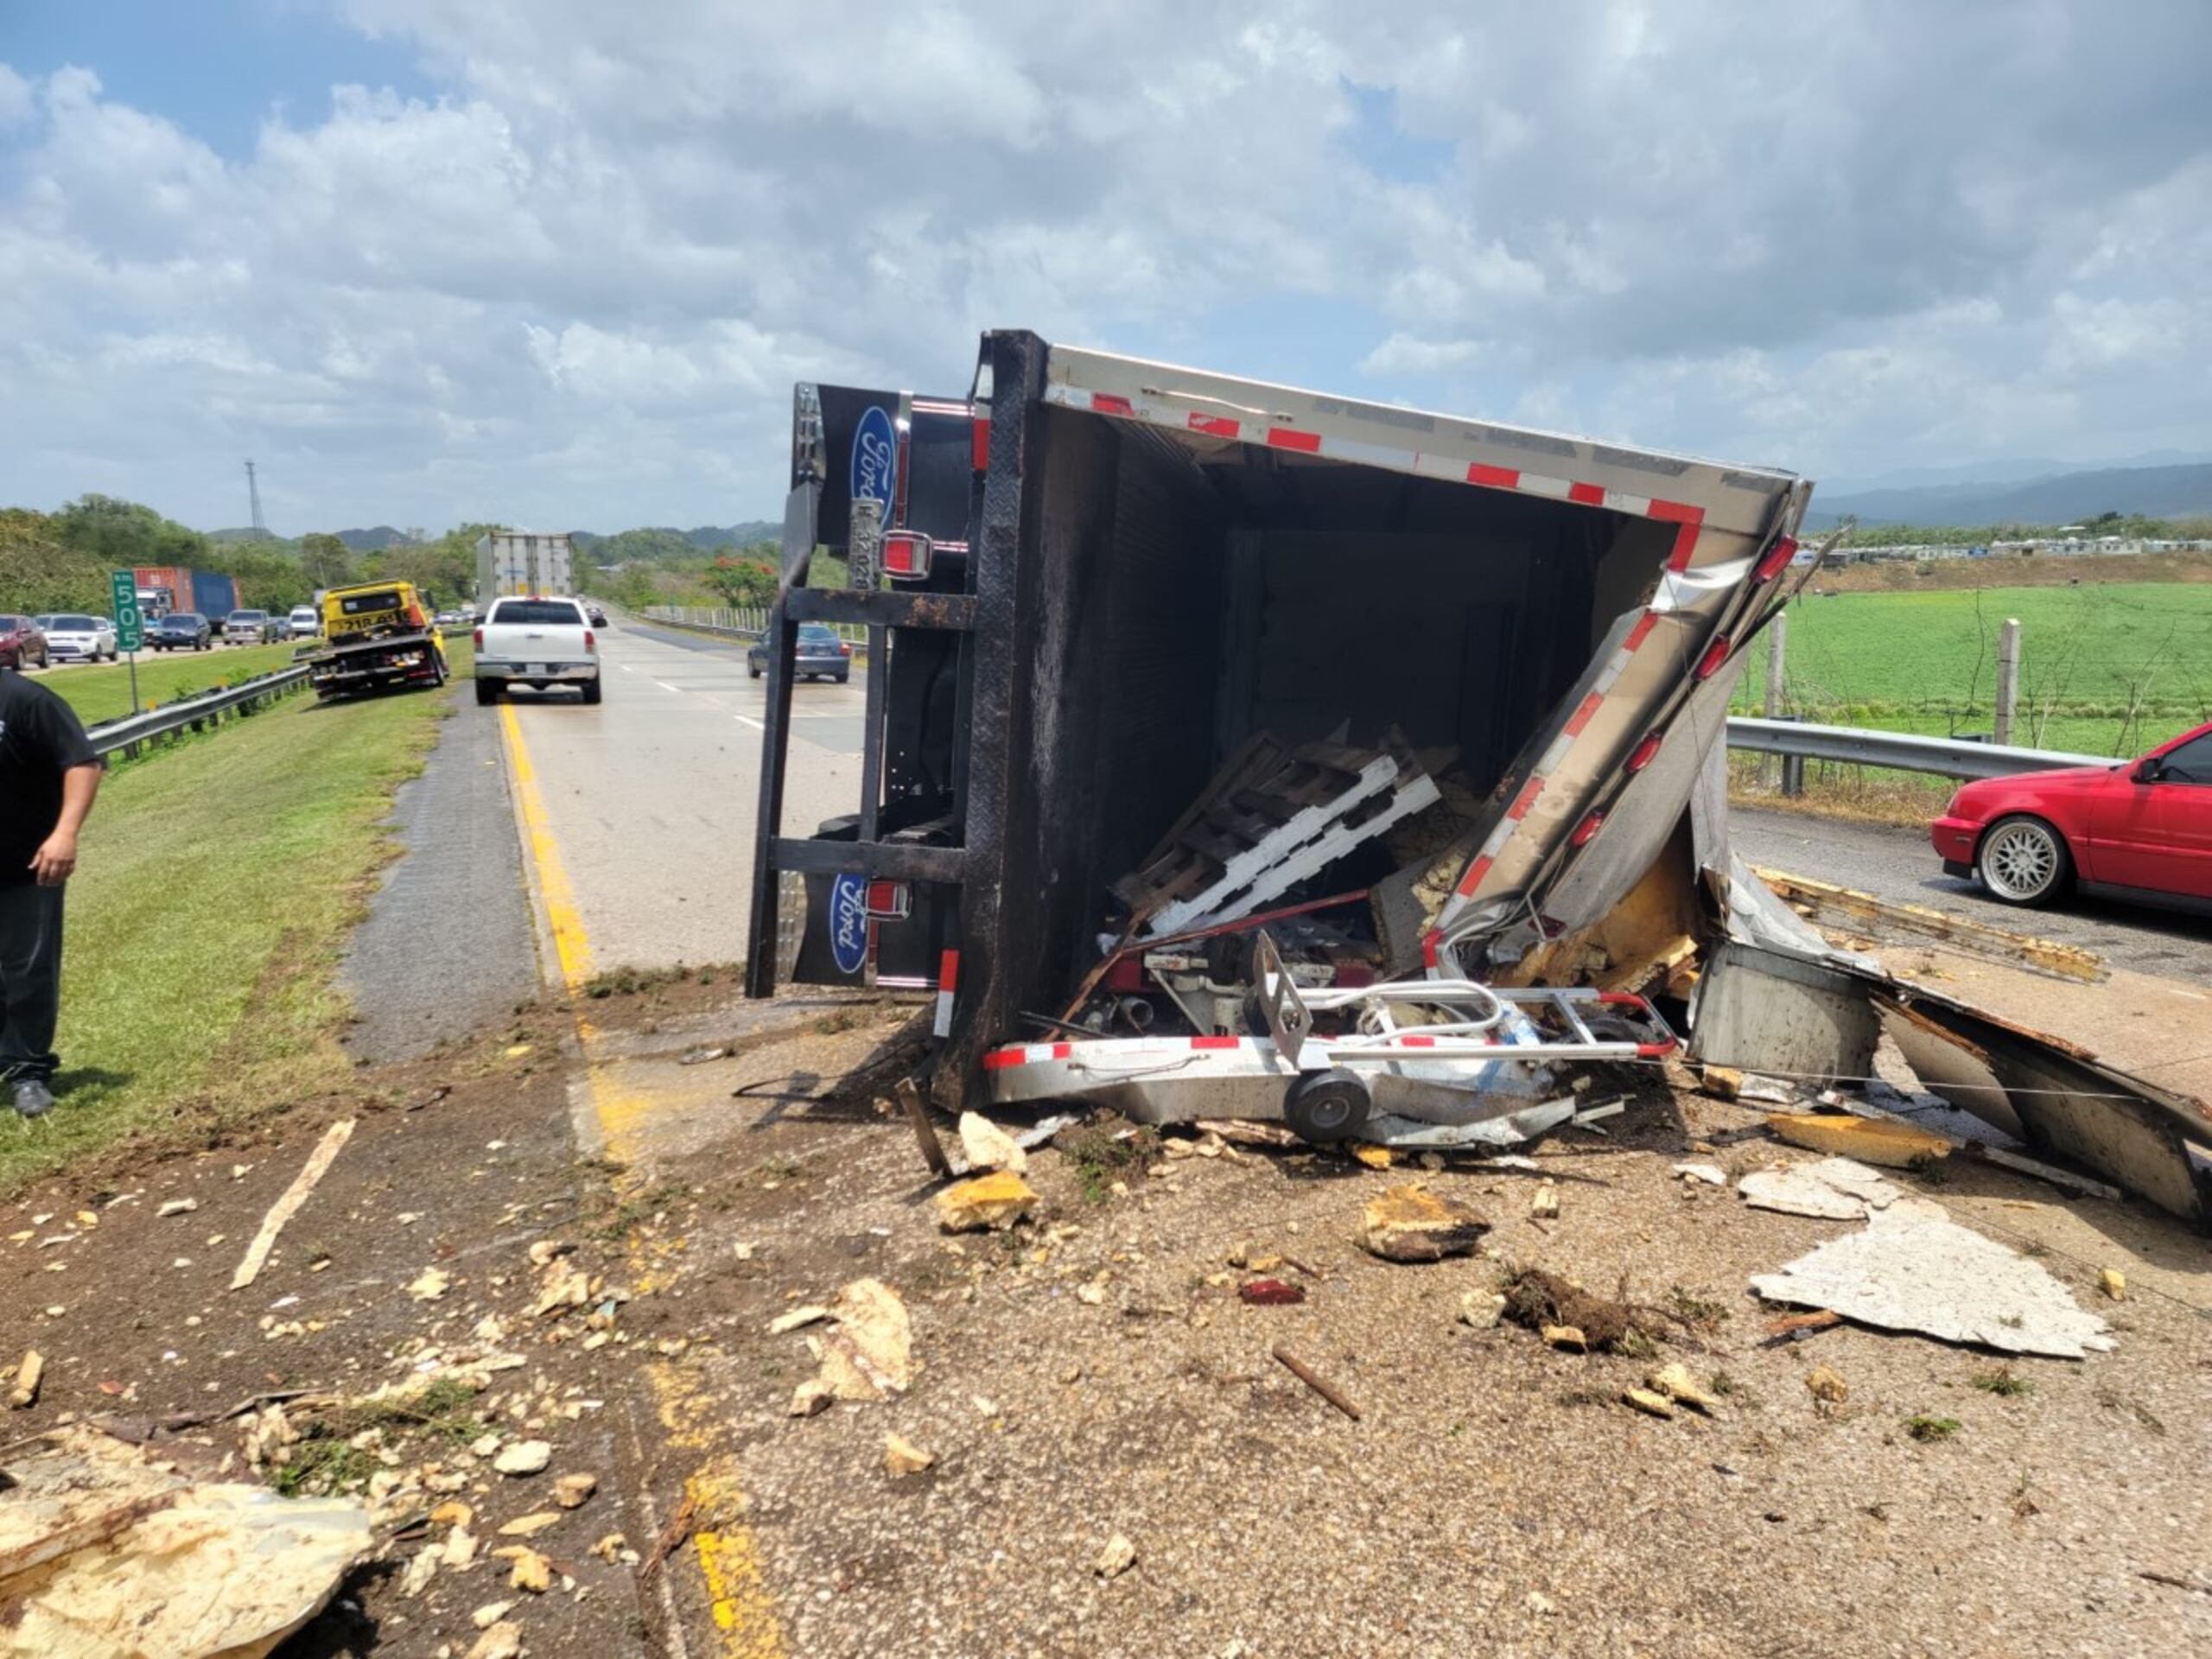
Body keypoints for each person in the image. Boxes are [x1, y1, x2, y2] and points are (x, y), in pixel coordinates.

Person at [0, 667, 100, 1117]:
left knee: (28, 972)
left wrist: (65, 834)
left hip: (25, 864)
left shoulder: (24, 699)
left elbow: (81, 762)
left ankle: (28, 1071)